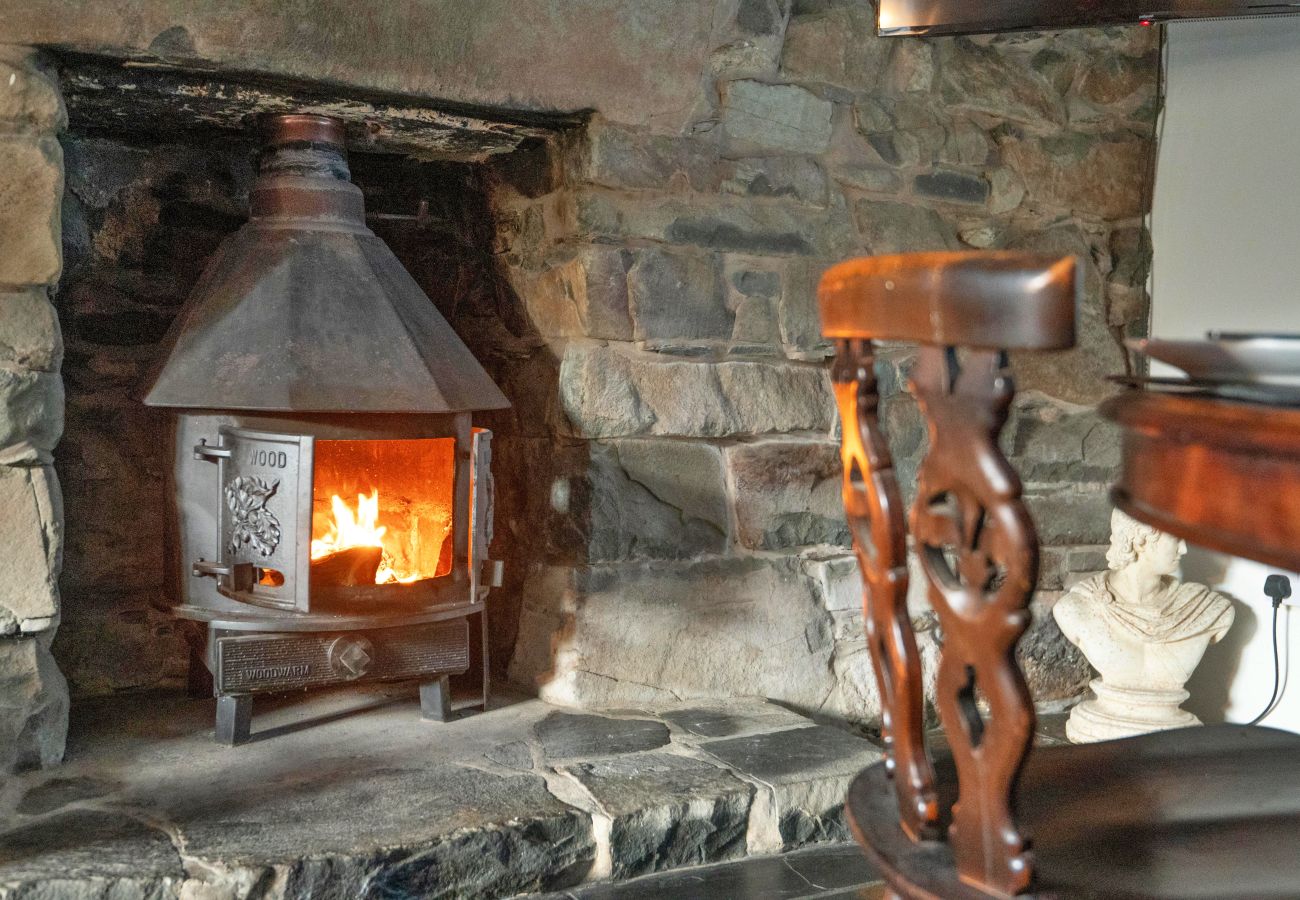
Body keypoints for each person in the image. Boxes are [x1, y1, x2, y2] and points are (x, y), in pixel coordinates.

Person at [1053, 508, 1234, 743]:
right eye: (1175, 539)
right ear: (1140, 540)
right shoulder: (1078, 608)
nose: (1184, 549)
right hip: (1104, 729)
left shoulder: (1205, 610)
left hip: (1174, 734)